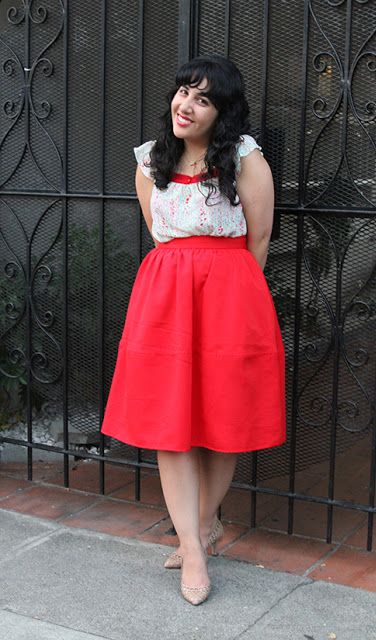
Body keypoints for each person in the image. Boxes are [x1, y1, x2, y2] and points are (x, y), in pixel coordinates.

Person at [101, 54, 286, 605]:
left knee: (223, 418)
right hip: (165, 299)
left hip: (231, 296)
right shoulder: (148, 162)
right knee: (169, 421)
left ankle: (202, 526)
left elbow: (259, 240)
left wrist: (229, 291)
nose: (187, 104)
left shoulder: (246, 159)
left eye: (203, 99)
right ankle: (196, 551)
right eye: (184, 91)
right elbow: (161, 235)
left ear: (221, 112)